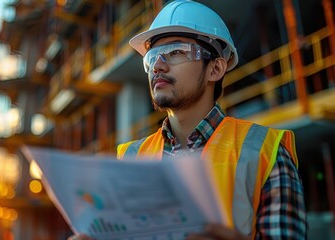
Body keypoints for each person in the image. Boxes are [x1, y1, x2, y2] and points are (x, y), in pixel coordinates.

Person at [70, 0, 307, 239]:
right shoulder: (130, 158)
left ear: (215, 70)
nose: (158, 67)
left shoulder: (265, 152)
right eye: (152, 58)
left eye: (176, 52)